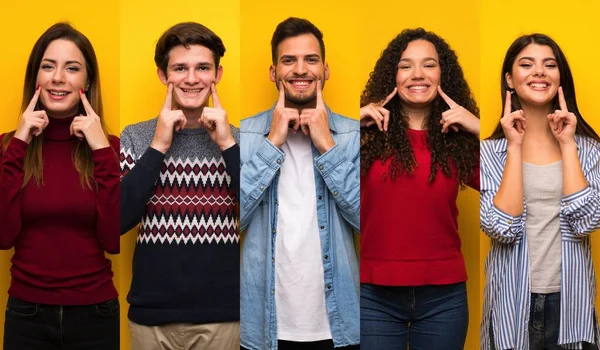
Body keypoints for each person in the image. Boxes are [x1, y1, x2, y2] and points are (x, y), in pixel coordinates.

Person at [240, 17, 360, 350]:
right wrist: (271, 144)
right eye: (288, 60)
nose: (300, 69)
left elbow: (372, 224)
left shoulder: (353, 136)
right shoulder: (247, 134)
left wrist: (327, 146)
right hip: (264, 325)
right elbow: (227, 220)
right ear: (273, 72)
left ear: (325, 70)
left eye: (311, 59)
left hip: (337, 325)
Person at [119, 22, 240, 350]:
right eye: (180, 68)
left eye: (203, 68)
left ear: (218, 74)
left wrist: (227, 144)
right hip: (151, 317)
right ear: (162, 75)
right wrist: (158, 146)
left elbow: (263, 211)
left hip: (222, 315)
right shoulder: (135, 136)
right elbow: (116, 220)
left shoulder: (240, 140)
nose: (191, 78)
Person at [0, 22, 119, 349]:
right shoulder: (8, 147)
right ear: (35, 78)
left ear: (87, 80)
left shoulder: (110, 149)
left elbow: (111, 240)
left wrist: (101, 152)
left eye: (72, 68)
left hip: (96, 314)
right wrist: (20, 143)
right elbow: (3, 236)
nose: (58, 78)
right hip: (26, 314)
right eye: (48, 66)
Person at [359, 28, 480, 350]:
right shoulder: (365, 138)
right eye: (405, 65)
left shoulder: (459, 140)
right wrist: (349, 127)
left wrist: (480, 130)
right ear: (392, 76)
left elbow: (514, 184)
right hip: (375, 295)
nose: (417, 74)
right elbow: (319, 183)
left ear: (444, 75)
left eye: (429, 65)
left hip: (445, 296)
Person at [480, 33, 600, 350]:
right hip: (511, 302)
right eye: (526, 64)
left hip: (570, 302)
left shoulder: (588, 150)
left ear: (561, 76)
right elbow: (501, 229)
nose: (539, 72)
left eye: (550, 64)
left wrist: (567, 144)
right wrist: (515, 147)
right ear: (510, 78)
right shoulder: (489, 153)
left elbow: (587, 222)